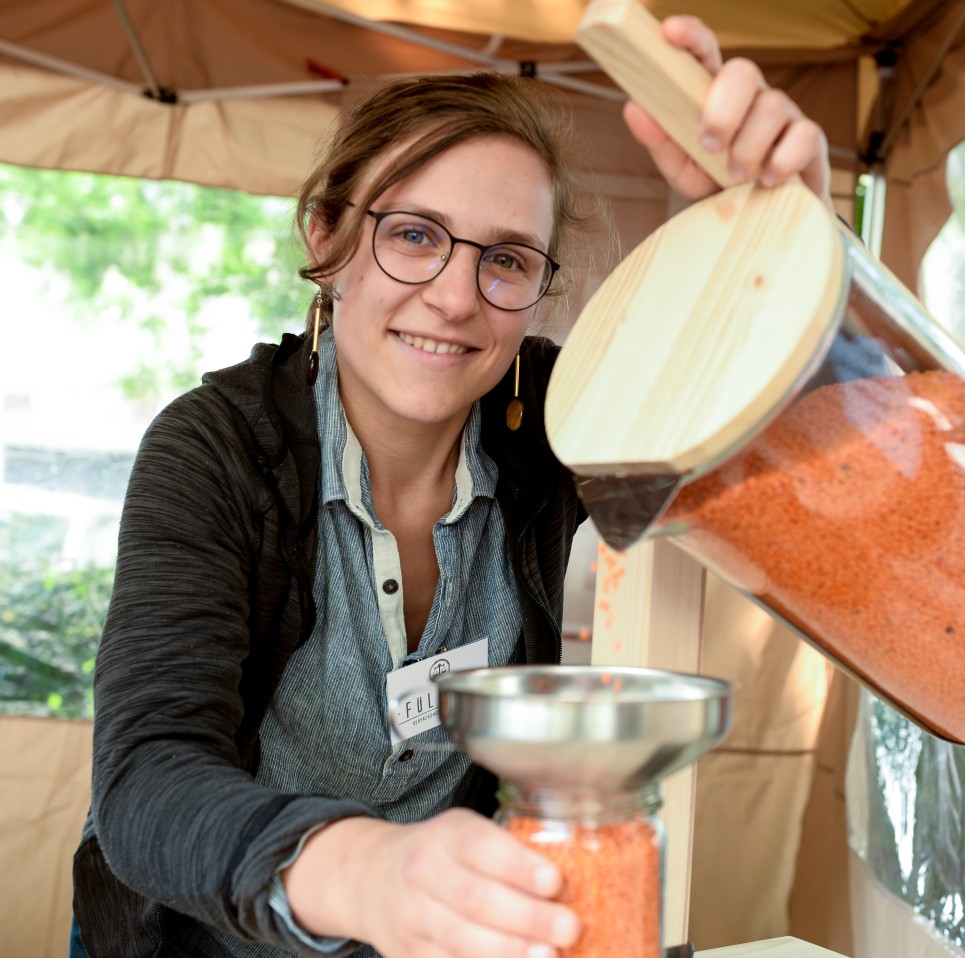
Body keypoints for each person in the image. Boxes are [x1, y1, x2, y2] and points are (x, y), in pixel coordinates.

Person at [71, 14, 834, 958]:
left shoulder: (558, 419)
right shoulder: (217, 447)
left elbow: (787, 475)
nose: (457, 296)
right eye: (414, 235)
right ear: (328, 236)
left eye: (506, 258)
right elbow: (146, 778)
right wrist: (372, 873)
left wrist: (780, 233)